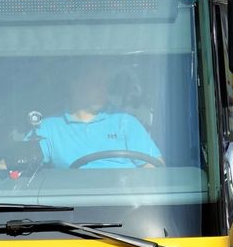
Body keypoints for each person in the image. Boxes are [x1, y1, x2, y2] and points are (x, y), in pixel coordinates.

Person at [29, 61, 162, 169]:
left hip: (123, 198)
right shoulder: (49, 127)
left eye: (106, 84)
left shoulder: (125, 122)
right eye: (97, 83)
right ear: (74, 84)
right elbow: (19, 163)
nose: (103, 89)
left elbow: (154, 167)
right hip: (72, 199)